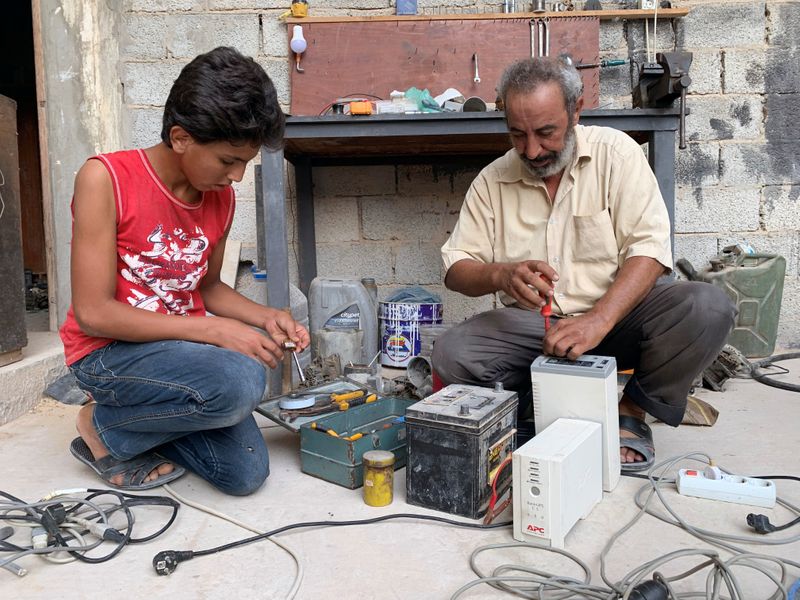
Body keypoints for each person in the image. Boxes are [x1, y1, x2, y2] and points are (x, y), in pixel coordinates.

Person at [433, 57, 735, 471]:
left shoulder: (617, 154)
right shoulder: (492, 179)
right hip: (538, 331)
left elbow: (650, 250)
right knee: (453, 352)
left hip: (619, 319)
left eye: (546, 132)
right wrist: (499, 273)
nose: (532, 150)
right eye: (517, 134)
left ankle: (631, 409)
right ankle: (535, 408)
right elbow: (456, 268)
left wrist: (599, 320)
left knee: (708, 307)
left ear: (576, 110)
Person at [59, 46, 309, 495]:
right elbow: (94, 312)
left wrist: (265, 316)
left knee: (245, 474)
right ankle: (98, 423)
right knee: (240, 378)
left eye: (244, 164)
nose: (236, 177)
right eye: (228, 161)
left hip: (177, 356)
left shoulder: (219, 197)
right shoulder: (105, 179)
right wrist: (215, 333)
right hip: (107, 353)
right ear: (180, 138)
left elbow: (209, 288)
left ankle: (142, 423)